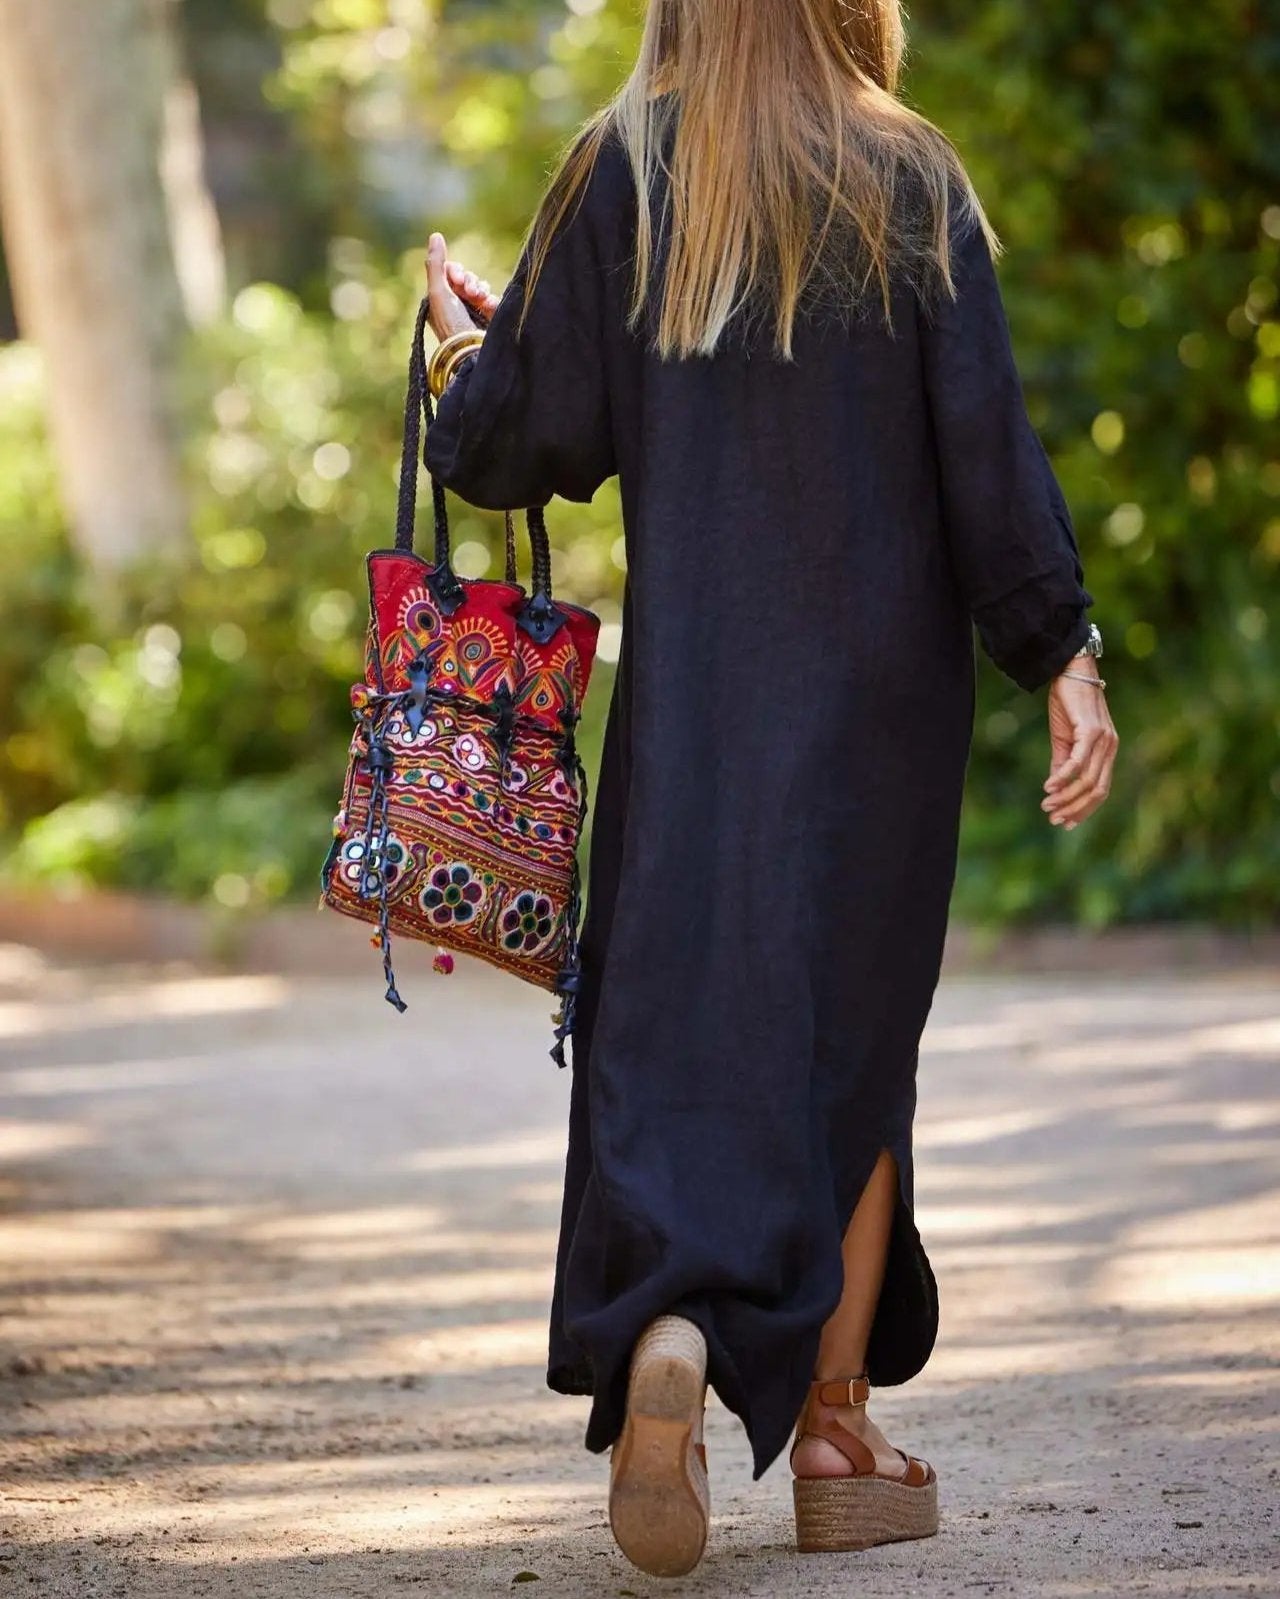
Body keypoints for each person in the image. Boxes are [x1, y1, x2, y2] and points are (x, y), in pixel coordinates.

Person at [421, 0, 1118, 1577]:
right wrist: (1063, 654)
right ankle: (835, 1429)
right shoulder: (911, 176)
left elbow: (516, 443)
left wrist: (468, 344)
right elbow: (985, 450)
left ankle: (670, 1330)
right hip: (882, 711)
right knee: (849, 1044)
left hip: (697, 708)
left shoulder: (622, 170)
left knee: (677, 1025)